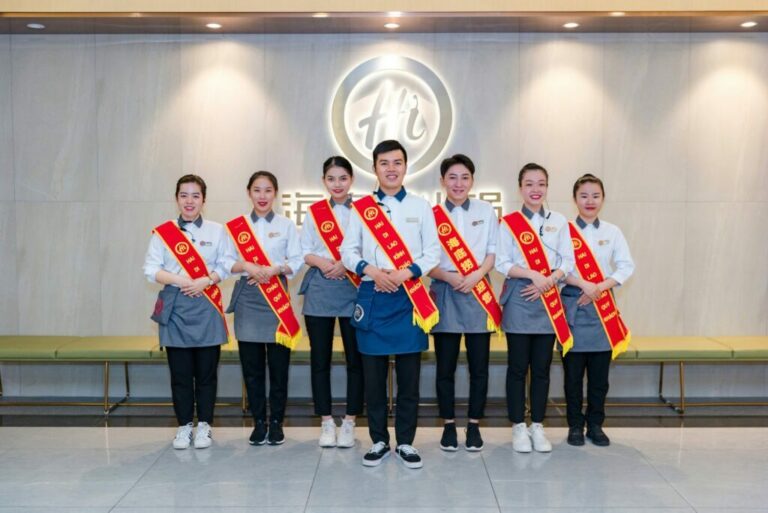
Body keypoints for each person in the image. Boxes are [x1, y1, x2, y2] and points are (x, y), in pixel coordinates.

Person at [340, 139, 440, 469]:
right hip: (373, 295)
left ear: (406, 167)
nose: (391, 168)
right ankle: (379, 440)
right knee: (373, 378)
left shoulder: (421, 207)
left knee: (409, 378)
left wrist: (404, 273)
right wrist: (371, 271)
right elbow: (348, 252)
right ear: (374, 168)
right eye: (384, 163)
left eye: (397, 162)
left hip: (409, 296)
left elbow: (433, 253)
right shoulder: (361, 208)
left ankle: (407, 442)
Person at [143, 174, 230, 450]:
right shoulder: (163, 233)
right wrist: (183, 281)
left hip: (207, 305)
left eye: (195, 195)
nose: (189, 201)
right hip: (175, 307)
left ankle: (204, 425)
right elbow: (150, 269)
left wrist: (207, 280)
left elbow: (226, 264)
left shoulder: (217, 231)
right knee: (180, 374)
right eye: (184, 195)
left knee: (206, 373)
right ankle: (183, 426)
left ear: (204, 199)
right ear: (176, 198)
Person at [495, 163, 574, 453]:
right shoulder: (509, 222)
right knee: (517, 367)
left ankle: (537, 425)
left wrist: (549, 280)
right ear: (520, 188)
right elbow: (502, 262)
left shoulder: (559, 221)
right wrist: (533, 275)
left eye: (541, 183)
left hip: (549, 299)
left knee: (541, 368)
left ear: (547, 188)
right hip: (520, 297)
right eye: (529, 184)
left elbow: (568, 261)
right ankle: (518, 425)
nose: (535, 189)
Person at [224, 171, 303, 446]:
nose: (262, 196)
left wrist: (275, 269)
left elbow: (297, 260)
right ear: (249, 193)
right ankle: (259, 422)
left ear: (275, 194)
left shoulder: (286, 225)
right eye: (257, 190)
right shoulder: (237, 226)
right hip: (248, 298)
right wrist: (247, 265)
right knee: (252, 368)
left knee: (279, 368)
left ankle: (277, 422)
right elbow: (225, 262)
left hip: (277, 298)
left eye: (268, 190)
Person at [428, 154, 500, 452]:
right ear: (442, 181)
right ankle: (448, 425)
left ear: (472, 180)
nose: (458, 183)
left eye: (465, 177)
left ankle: (473, 425)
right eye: (452, 177)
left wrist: (476, 276)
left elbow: (492, 252)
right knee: (445, 367)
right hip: (445, 291)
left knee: (478, 367)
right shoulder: (430, 214)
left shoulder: (486, 211)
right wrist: (447, 275)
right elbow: (422, 258)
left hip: (477, 292)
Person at [562, 174, 635, 447]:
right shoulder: (563, 230)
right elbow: (557, 268)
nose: (589, 201)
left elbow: (626, 266)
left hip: (603, 308)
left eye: (595, 195)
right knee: (572, 376)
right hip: (573, 306)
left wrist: (599, 287)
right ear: (575, 199)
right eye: (584, 195)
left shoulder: (612, 232)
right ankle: (574, 425)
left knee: (599, 377)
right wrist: (583, 285)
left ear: (603, 199)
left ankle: (595, 425)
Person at [299, 156, 364, 448]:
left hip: (354, 287)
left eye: (343, 178)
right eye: (331, 178)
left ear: (351, 180)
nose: (337, 184)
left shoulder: (364, 210)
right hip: (321, 288)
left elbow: (369, 247)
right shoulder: (314, 213)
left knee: (356, 360)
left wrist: (345, 264)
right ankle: (326, 421)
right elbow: (305, 250)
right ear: (324, 181)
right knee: (320, 359)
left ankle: (350, 421)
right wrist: (326, 264)